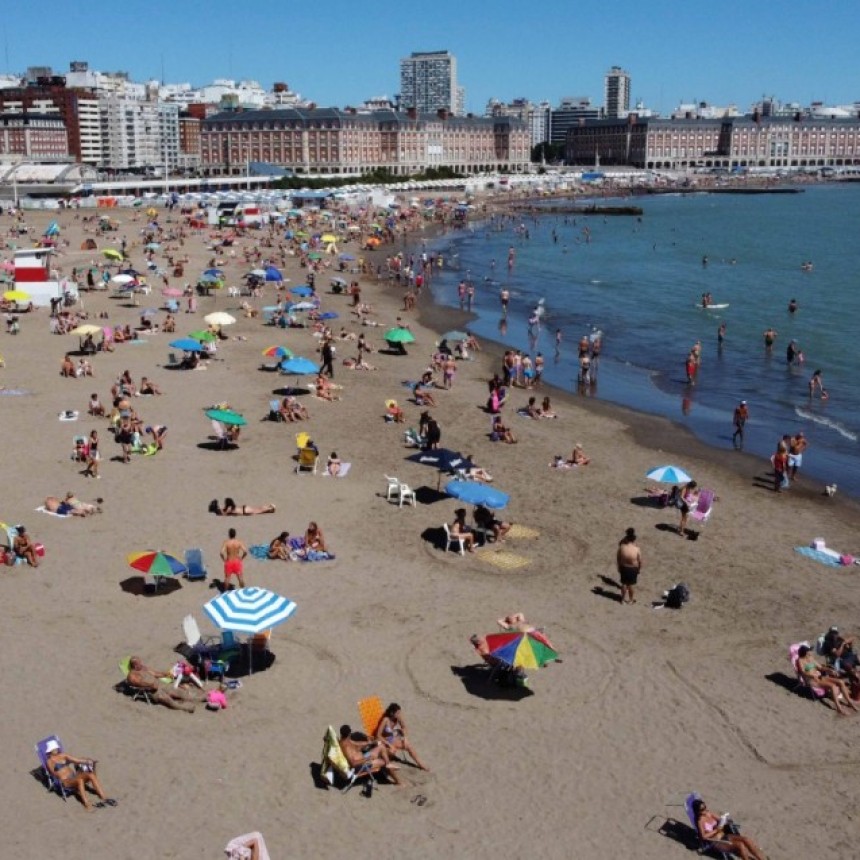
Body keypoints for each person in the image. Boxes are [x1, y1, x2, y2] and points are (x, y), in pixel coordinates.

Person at [43, 740, 113, 812]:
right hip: (66, 781)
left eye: (56, 748)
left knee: (90, 774)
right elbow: (53, 773)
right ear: (50, 750)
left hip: (74, 776)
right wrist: (61, 771)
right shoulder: (50, 761)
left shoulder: (63, 755)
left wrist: (88, 761)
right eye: (54, 749)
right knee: (79, 780)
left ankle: (103, 797)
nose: (56, 750)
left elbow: (77, 760)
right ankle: (87, 804)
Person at [691, 798, 767, 860]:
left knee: (746, 839)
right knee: (740, 846)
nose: (705, 809)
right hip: (716, 841)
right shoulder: (699, 821)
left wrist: (725, 820)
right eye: (702, 809)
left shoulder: (709, 813)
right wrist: (716, 830)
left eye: (705, 807)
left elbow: (720, 819)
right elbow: (703, 836)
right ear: (697, 812)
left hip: (723, 835)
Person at [796, 645, 859, 715]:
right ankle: (839, 708)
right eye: (809, 651)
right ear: (804, 652)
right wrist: (812, 675)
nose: (811, 652)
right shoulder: (799, 660)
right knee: (832, 686)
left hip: (819, 677)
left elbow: (820, 667)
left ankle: (850, 702)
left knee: (840, 682)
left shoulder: (810, 658)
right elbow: (802, 672)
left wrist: (829, 670)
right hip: (812, 680)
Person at [126, 657, 203, 713]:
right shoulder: (132, 676)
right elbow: (141, 684)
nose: (141, 664)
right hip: (152, 691)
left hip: (160, 684)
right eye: (139, 663)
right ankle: (184, 708)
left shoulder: (143, 668)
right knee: (168, 700)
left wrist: (166, 674)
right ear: (135, 666)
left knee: (179, 692)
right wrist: (151, 685)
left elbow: (156, 674)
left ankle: (198, 698)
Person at [376, 703, 430, 771]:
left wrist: (405, 738)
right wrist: (388, 744)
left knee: (408, 745)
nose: (399, 714)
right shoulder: (385, 720)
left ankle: (421, 764)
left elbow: (404, 728)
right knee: (392, 751)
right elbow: (378, 735)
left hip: (392, 739)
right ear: (392, 713)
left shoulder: (397, 718)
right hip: (385, 741)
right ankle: (385, 762)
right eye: (398, 713)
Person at [617, 527, 642, 605]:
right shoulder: (637, 549)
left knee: (624, 584)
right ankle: (631, 600)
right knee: (630, 585)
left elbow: (618, 558)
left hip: (624, 567)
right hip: (633, 568)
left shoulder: (622, 547)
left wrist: (619, 567)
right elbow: (640, 561)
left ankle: (623, 599)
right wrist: (639, 569)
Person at [209, 498, 276, 516]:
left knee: (257, 509)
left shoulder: (222, 511)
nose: (219, 506)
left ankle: (269, 509)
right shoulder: (223, 512)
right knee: (258, 510)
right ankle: (270, 509)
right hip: (244, 511)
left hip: (243, 510)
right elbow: (229, 503)